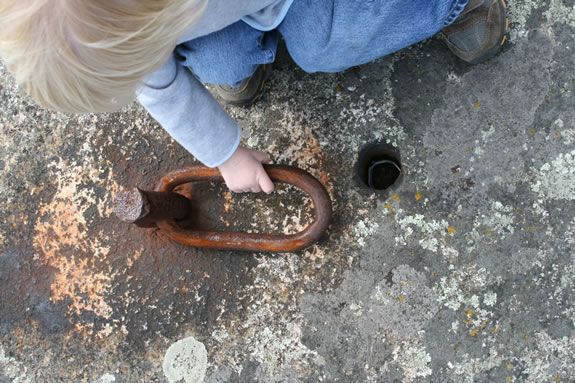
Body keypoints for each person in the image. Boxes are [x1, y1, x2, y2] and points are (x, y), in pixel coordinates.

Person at [0, 0, 507, 193]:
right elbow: (159, 87)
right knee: (221, 63)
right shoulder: (112, 25)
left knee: (323, 44)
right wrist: (226, 155)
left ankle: (448, 6)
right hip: (208, 14)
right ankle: (241, 51)